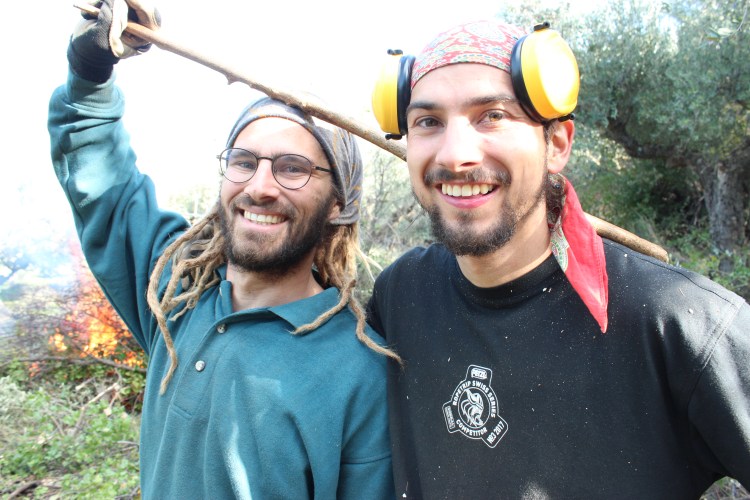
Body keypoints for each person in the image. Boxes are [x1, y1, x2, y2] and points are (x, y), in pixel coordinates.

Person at [366, 19, 750, 499]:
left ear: (558, 145)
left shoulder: (679, 323)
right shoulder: (401, 294)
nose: (455, 155)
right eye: (428, 122)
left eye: (492, 116)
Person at [48, 0, 396, 497]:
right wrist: (90, 68)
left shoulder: (361, 375)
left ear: (338, 202)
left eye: (292, 168)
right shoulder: (176, 294)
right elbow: (105, 189)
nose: (260, 187)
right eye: (244, 161)